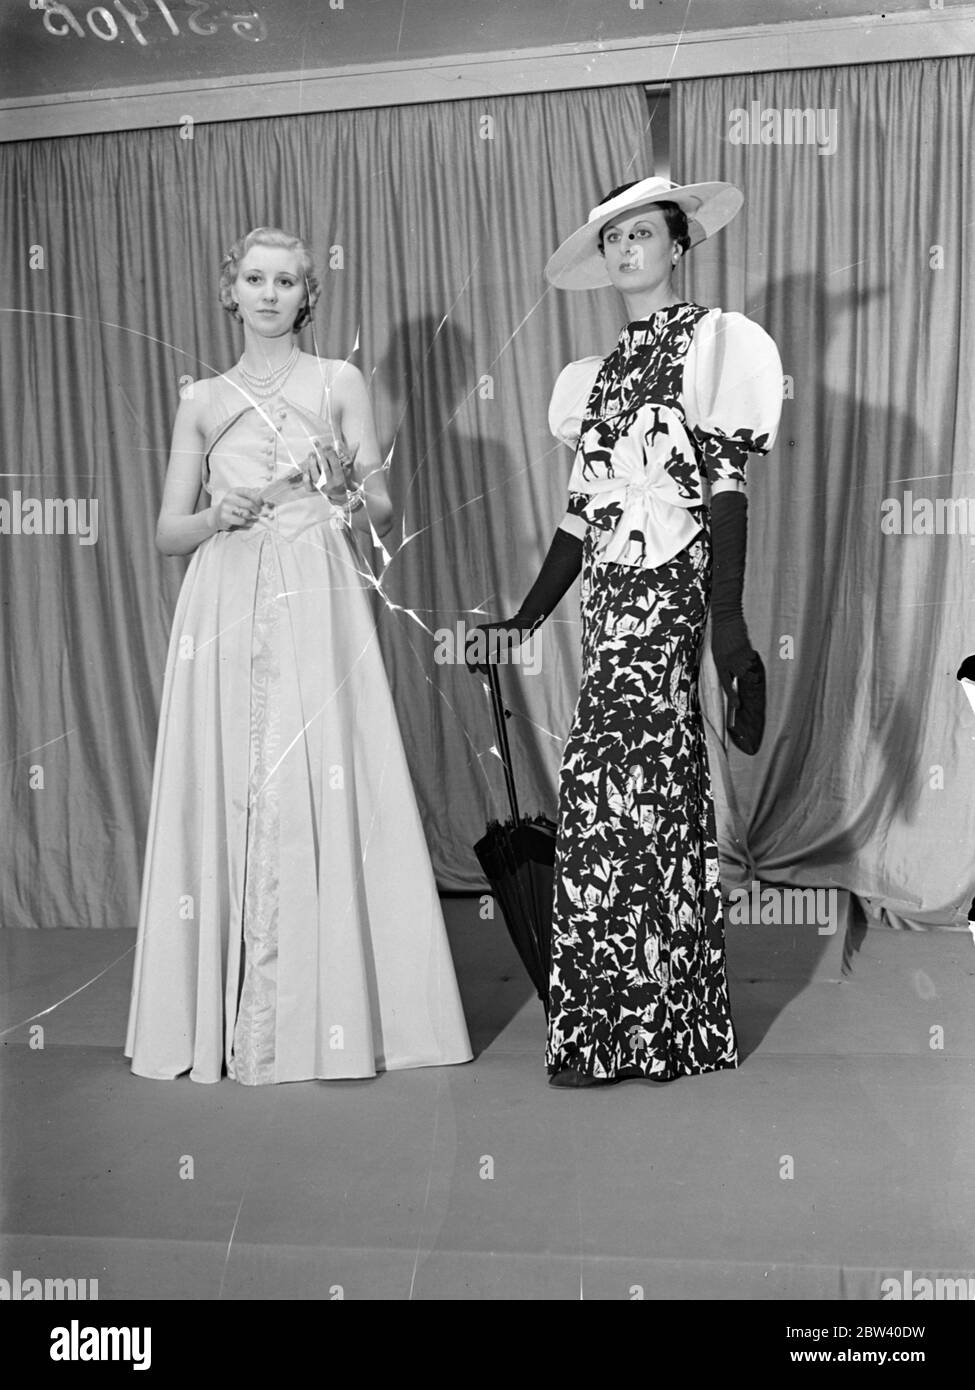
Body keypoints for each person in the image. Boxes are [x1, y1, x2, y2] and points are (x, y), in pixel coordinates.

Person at [126, 226, 472, 1084]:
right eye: (254, 278)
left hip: (316, 593)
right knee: (235, 783)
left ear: (308, 296)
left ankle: (336, 1010)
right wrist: (218, 515)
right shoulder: (201, 398)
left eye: (286, 280)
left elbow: (380, 506)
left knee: (322, 774)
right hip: (225, 595)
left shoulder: (339, 380)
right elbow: (168, 531)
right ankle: (227, 1014)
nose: (270, 293)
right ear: (229, 291)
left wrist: (343, 486)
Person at [471, 178, 783, 1086]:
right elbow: (579, 519)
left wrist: (728, 633)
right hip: (608, 600)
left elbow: (726, 492)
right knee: (631, 792)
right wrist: (527, 618)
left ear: (677, 244)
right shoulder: (595, 377)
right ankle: (649, 1028)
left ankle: (635, 1029)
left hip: (673, 591)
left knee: (618, 780)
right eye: (612, 240)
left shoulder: (716, 343)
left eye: (641, 234)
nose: (624, 251)